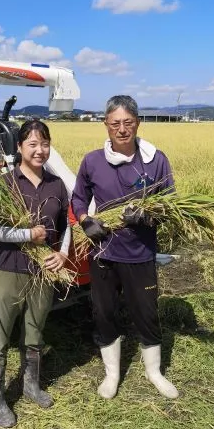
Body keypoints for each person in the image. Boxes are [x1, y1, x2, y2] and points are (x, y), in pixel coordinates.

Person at [71, 95, 179, 400]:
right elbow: (78, 198)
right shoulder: (92, 161)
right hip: (103, 253)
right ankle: (112, 374)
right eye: (115, 123)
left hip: (140, 252)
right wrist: (84, 220)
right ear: (106, 124)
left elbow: (171, 202)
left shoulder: (155, 160)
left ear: (137, 123)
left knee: (146, 312)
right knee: (105, 313)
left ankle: (155, 373)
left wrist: (148, 214)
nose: (122, 129)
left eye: (128, 122)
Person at [0, 119, 71, 427]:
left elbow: (67, 225)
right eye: (32, 144)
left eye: (44, 144)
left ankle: (31, 384)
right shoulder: (6, 182)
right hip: (7, 268)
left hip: (42, 272)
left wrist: (62, 253)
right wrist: (25, 236)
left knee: (34, 332)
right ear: (19, 148)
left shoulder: (56, 184)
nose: (40, 150)